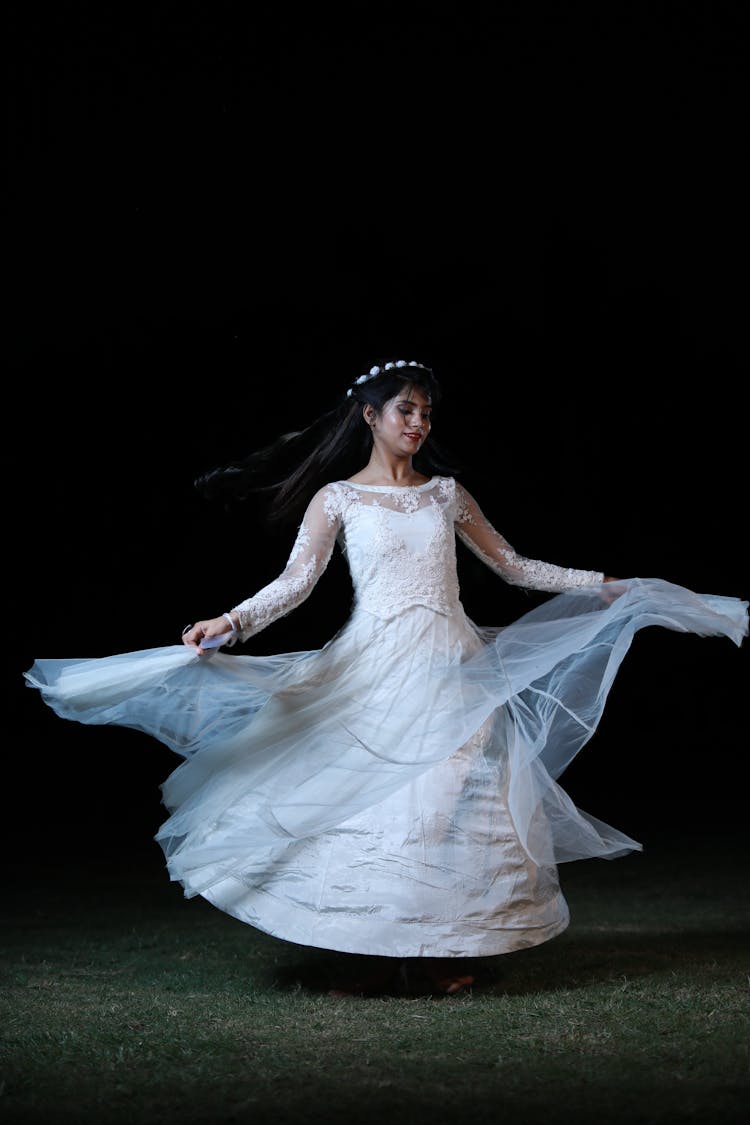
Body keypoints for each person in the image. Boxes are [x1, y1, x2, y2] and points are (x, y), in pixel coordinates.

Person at [24, 358, 748, 997]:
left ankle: (435, 951)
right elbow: (296, 583)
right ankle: (369, 953)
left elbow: (514, 566)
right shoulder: (338, 498)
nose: (419, 423)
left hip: (449, 663)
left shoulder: (446, 494)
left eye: (427, 412)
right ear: (371, 415)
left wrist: (600, 583)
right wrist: (232, 620)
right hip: (374, 662)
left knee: (447, 798)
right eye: (406, 410)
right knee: (372, 803)